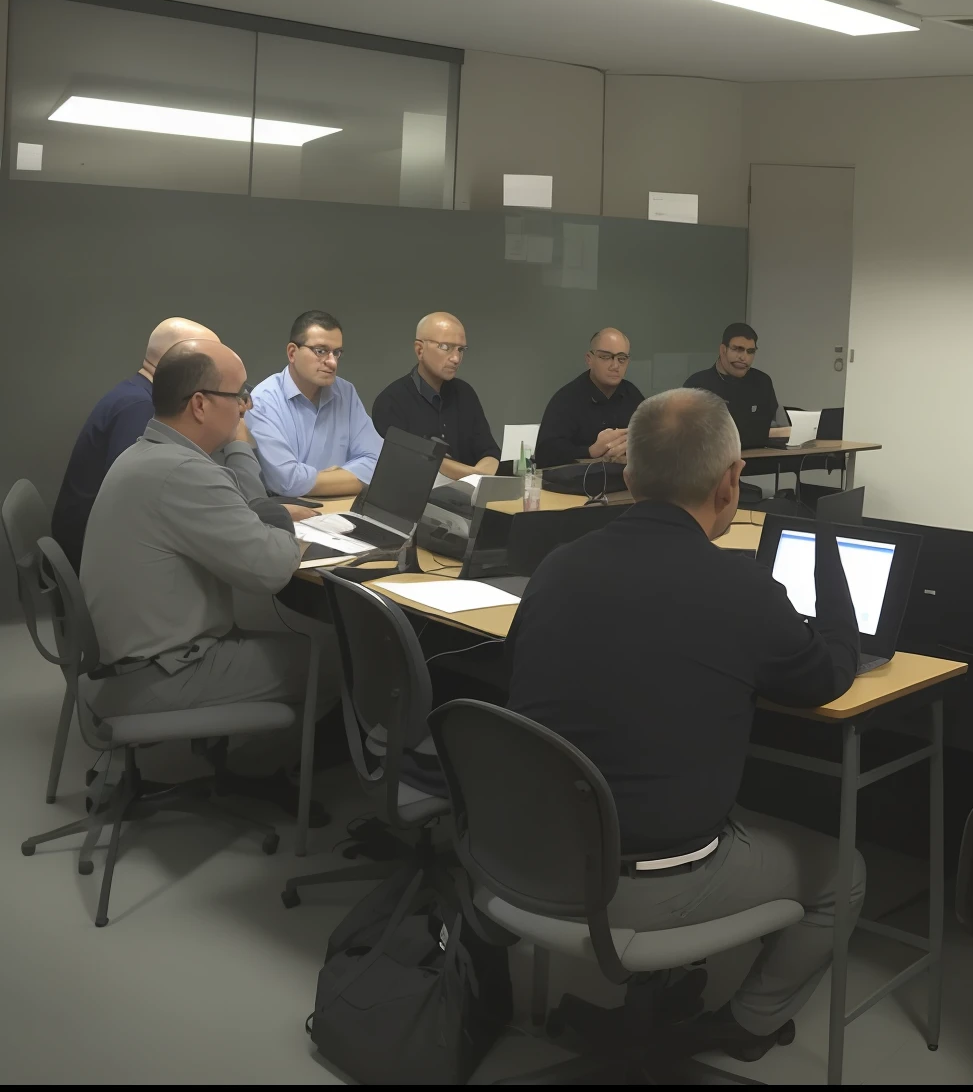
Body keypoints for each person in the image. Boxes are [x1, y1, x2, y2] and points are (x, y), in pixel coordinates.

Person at [504, 386, 863, 1060]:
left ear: (630, 475)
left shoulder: (555, 568)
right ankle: (746, 1025)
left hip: (528, 852)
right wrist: (827, 548)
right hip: (636, 889)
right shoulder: (743, 591)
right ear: (732, 483)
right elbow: (828, 677)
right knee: (845, 876)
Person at [80, 339, 333, 719]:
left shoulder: (147, 452)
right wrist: (277, 516)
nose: (246, 406)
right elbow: (272, 569)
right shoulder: (183, 473)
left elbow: (244, 508)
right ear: (200, 404)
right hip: (162, 674)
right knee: (333, 659)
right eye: (239, 395)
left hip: (135, 657)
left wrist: (243, 464)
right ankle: (299, 772)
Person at [51, 317, 219, 569]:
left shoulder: (135, 394)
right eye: (210, 361)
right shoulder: (141, 408)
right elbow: (138, 501)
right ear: (177, 363)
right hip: (95, 558)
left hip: (90, 543)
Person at [246, 310, 383, 497]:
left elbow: (378, 462)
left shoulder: (345, 392)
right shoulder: (263, 401)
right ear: (292, 353)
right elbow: (287, 482)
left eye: (337, 352)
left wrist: (314, 481)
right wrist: (348, 476)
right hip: (293, 515)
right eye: (321, 351)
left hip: (345, 507)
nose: (332, 363)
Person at [370, 311, 500, 479]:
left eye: (461, 349)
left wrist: (479, 477)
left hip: (469, 497)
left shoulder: (465, 393)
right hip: (418, 500)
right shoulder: (391, 402)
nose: (456, 358)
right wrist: (474, 474)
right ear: (420, 350)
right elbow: (418, 461)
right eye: (445, 347)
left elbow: (489, 451)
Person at [533, 327, 643, 468]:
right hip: (576, 486)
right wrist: (591, 451)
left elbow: (652, 441)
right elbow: (545, 454)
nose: (615, 365)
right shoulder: (567, 399)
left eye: (622, 359)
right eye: (606, 357)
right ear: (589, 359)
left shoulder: (633, 395)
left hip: (624, 483)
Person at [683, 322, 788, 448]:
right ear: (723, 350)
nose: (744, 357)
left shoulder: (762, 381)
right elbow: (689, 435)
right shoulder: (698, 384)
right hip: (714, 464)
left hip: (758, 462)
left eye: (750, 352)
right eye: (737, 349)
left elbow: (778, 427)